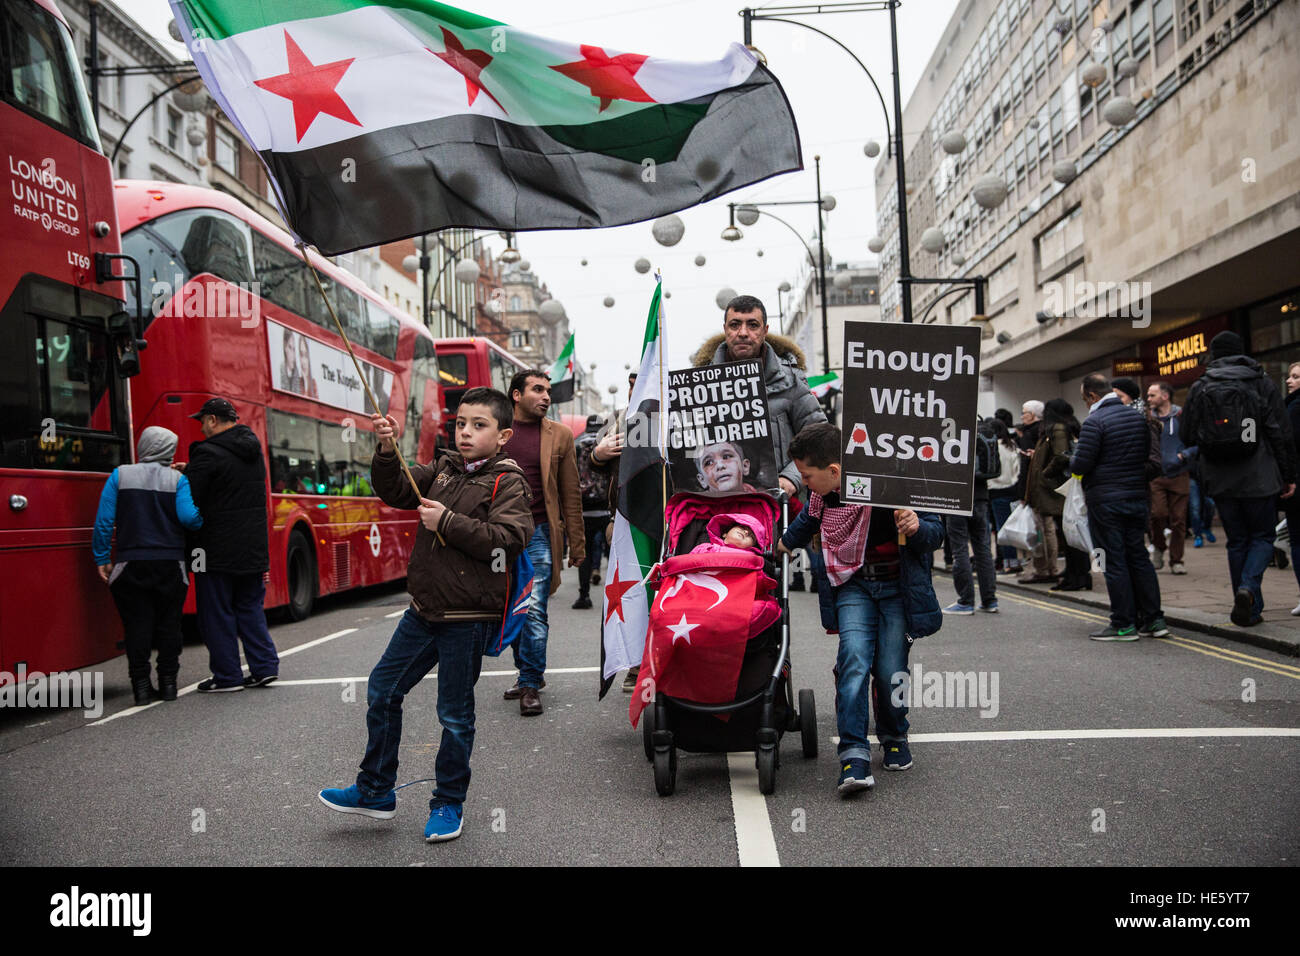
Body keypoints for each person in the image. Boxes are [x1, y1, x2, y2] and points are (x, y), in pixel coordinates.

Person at [318, 388, 533, 843]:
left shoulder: (508, 481)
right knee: (381, 690)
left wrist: (448, 522)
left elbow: (508, 539)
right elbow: (396, 489)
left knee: (454, 715)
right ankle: (375, 790)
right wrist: (384, 448)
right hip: (423, 611)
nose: (467, 433)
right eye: (461, 424)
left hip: (468, 617)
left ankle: (448, 802)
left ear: (503, 435)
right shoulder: (444, 468)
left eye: (479, 425)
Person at [778, 423, 943, 795]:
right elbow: (807, 521)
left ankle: (894, 734)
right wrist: (781, 546)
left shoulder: (898, 481)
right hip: (853, 585)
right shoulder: (824, 498)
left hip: (897, 588)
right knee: (853, 660)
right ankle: (853, 752)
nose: (804, 483)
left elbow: (936, 533)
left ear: (834, 472)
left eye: (807, 476)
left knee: (889, 670)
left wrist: (916, 526)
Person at [1180, 332, 1297, 626]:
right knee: (1262, 538)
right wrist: (1288, 475)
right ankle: (1248, 589)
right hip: (1259, 475)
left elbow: (1187, 435)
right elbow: (1280, 433)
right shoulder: (1261, 382)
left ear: (1214, 354)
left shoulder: (1200, 386)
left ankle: (1246, 608)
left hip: (1220, 478)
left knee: (1237, 542)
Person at [92, 427, 203, 705]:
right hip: (170, 565)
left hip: (131, 563)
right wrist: (202, 520)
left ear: (144, 446)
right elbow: (189, 518)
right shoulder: (178, 479)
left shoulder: (120, 475)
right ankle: (168, 685)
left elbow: (105, 521)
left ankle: (141, 687)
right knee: (169, 626)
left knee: (137, 627)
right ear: (167, 450)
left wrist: (102, 557)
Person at [182, 398, 281, 691]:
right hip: (252, 548)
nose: (200, 428)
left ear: (213, 420)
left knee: (217, 614)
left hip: (215, 550)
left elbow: (195, 497)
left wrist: (185, 474)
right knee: (250, 608)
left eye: (202, 421)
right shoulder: (253, 450)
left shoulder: (206, 453)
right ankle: (264, 668)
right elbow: (230, 482)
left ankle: (227, 676)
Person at [501, 369, 585, 715]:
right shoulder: (496, 430)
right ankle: (527, 671)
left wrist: (576, 544)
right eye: (537, 389)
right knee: (509, 608)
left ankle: (531, 682)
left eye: (548, 390)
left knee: (534, 608)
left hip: (538, 533)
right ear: (517, 395)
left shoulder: (560, 435)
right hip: (500, 535)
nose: (546, 396)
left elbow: (570, 492)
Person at [692, 294, 826, 499]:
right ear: (725, 329)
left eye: (752, 325)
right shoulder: (700, 387)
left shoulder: (791, 381)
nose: (743, 333)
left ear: (765, 331)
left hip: (782, 509)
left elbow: (820, 439)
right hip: (722, 511)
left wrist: (791, 479)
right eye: (735, 324)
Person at [1070, 374, 1168, 640]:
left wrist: (1075, 455)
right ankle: (1155, 620)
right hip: (1137, 498)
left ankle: (1123, 624)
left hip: (1106, 502)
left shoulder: (1095, 421)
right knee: (1138, 557)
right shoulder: (1138, 419)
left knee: (1113, 560)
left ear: (1092, 396)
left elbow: (1080, 465)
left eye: (1083, 397)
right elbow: (1146, 458)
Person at [943, 418, 998, 614]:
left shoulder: (952, 432)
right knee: (983, 550)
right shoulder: (982, 430)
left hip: (957, 497)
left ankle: (966, 601)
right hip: (981, 497)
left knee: (960, 550)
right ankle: (990, 600)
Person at [1037, 399, 1091, 591]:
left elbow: (1061, 456)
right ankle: (1075, 573)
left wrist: (1045, 472)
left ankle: (1077, 576)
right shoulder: (1068, 426)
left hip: (1061, 488)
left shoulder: (1058, 428)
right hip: (1066, 487)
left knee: (1070, 534)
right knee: (1070, 533)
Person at [1145, 381, 1195, 575]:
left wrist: (1184, 455)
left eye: (1152, 395)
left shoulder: (1182, 416)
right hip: (1156, 475)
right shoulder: (1148, 418)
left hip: (1179, 474)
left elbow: (1197, 441)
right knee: (1157, 514)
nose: (1149, 399)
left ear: (1165, 396)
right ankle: (1158, 547)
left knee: (1179, 520)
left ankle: (1177, 560)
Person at [573, 414, 611, 610]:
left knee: (585, 554)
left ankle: (584, 595)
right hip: (605, 509)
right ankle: (615, 597)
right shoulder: (606, 443)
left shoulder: (577, 446)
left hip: (584, 508)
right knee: (612, 554)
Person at [1015, 400, 1054, 583]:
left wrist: (1024, 493)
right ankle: (1051, 568)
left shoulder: (1030, 434)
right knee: (1048, 529)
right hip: (1046, 488)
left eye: (1024, 413)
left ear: (1033, 415)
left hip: (1035, 489)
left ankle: (1041, 569)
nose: (1022, 416)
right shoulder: (1045, 432)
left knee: (1038, 530)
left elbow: (1027, 468)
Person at [987, 418, 1023, 575]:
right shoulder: (1012, 446)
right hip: (1012, 491)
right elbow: (1018, 470)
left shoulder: (992, 447)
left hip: (996, 491)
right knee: (1011, 528)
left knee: (1002, 530)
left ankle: (1010, 564)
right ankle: (1011, 562)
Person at [1284, 360, 1300, 615]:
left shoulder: (1295, 408)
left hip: (1298, 485)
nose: (1289, 381)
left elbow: (1289, 448)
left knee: (1297, 541)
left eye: (1296, 377)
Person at [689, 514, 764, 555]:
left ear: (752, 547)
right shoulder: (704, 548)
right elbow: (686, 564)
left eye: (751, 536)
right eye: (742, 527)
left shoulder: (753, 558)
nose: (746, 532)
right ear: (725, 534)